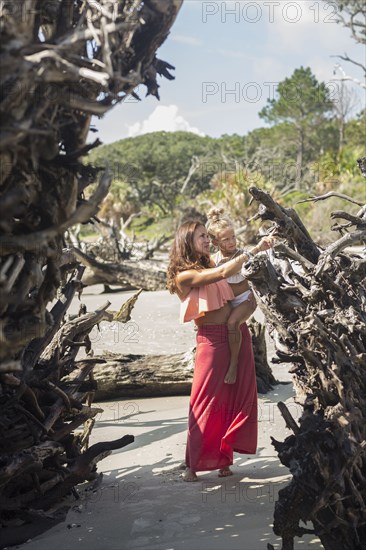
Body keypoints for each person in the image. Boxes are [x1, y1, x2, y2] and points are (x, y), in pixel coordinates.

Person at [166, 220, 275, 482]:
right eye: (201, 237)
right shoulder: (185, 276)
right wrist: (255, 249)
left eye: (207, 236)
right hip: (212, 343)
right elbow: (222, 274)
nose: (207, 240)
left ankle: (224, 459)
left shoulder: (211, 265)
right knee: (204, 403)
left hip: (237, 336)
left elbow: (233, 286)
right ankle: (192, 464)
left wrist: (259, 285)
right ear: (187, 242)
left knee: (234, 400)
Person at [206, 207, 256, 385]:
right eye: (226, 239)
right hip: (228, 301)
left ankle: (234, 363)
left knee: (233, 323)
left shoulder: (244, 254)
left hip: (246, 300)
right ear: (215, 242)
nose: (231, 241)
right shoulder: (214, 260)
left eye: (233, 237)